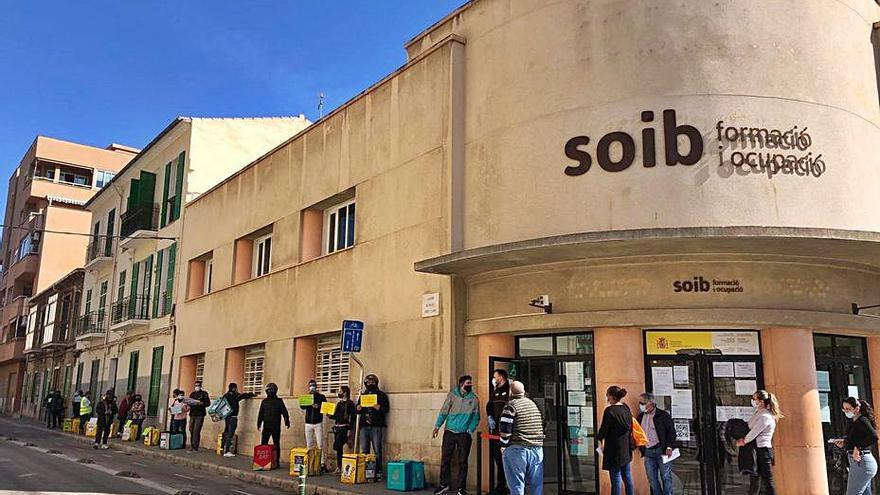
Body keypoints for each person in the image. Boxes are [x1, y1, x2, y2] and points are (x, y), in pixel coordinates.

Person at [433, 375, 481, 495]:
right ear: (461, 384)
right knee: (445, 459)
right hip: (449, 432)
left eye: (471, 383)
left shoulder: (474, 399)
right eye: (468, 383)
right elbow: (444, 411)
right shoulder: (452, 395)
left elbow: (476, 417)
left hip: (464, 435)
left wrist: (469, 431)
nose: (470, 385)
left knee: (463, 461)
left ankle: (461, 488)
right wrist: (437, 426)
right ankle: (444, 484)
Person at [498, 380, 544, 495]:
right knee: (536, 484)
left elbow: (505, 429)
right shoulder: (533, 404)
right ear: (523, 391)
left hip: (517, 449)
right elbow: (543, 423)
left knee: (516, 484)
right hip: (537, 449)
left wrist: (503, 445)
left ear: (510, 391)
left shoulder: (511, 406)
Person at [736, 390, 782, 495]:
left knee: (767, 480)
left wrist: (744, 441)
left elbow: (754, 432)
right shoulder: (759, 413)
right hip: (757, 449)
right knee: (755, 478)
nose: (753, 401)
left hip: (763, 450)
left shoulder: (765, 416)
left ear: (761, 401)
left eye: (754, 399)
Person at [834, 397, 878, 495]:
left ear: (857, 408)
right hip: (861, 463)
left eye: (848, 409)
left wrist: (858, 448)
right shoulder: (853, 422)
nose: (846, 412)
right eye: (844, 409)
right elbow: (855, 440)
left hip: (862, 462)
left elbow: (874, 437)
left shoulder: (862, 420)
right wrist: (844, 443)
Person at [596, 386, 634, 495]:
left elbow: (604, 429)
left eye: (607, 394)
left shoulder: (610, 410)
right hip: (625, 447)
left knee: (616, 478)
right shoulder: (626, 408)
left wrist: (600, 438)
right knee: (627, 476)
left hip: (613, 448)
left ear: (611, 396)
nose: (606, 397)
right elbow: (631, 426)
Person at [637, 393, 676, 495]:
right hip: (648, 452)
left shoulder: (663, 416)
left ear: (650, 403)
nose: (640, 405)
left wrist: (669, 447)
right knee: (652, 479)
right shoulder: (640, 417)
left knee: (666, 477)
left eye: (642, 403)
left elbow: (671, 432)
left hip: (661, 450)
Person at [357, 373, 391, 479]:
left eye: (372, 382)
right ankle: (366, 472)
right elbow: (357, 410)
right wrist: (358, 408)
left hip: (376, 426)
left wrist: (378, 407)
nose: (370, 383)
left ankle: (378, 471)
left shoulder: (381, 395)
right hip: (364, 426)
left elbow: (386, 409)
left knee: (377, 450)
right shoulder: (363, 395)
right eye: (368, 382)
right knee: (364, 449)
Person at [486, 369, 511, 495]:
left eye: (495, 376)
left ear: (501, 377)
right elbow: (489, 405)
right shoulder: (495, 390)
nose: (493, 378)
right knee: (498, 459)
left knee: (508, 460)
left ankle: (509, 486)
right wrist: (489, 416)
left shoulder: (510, 390)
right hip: (496, 431)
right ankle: (500, 486)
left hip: (507, 432)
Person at [257, 382, 290, 468]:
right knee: (264, 444)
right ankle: (263, 461)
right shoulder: (264, 402)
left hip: (275, 426)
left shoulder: (279, 401)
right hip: (266, 426)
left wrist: (287, 421)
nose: (268, 392)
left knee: (276, 444)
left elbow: (284, 412)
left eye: (269, 390)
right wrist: (259, 423)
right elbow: (261, 413)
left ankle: (276, 462)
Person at [221, 382, 256, 457]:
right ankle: (226, 451)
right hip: (233, 417)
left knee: (226, 431)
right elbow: (242, 396)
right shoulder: (234, 395)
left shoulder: (226, 396)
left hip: (227, 417)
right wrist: (251, 394)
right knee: (230, 433)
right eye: (236, 388)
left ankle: (222, 448)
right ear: (234, 388)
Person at [300, 378, 328, 470]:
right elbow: (302, 406)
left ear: (316, 387)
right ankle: (310, 462)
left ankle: (322, 463)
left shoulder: (321, 397)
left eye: (313, 385)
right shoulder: (306, 396)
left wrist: (318, 406)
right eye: (310, 385)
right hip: (308, 423)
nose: (312, 387)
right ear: (308, 387)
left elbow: (326, 407)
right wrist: (309, 404)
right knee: (309, 444)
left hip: (318, 423)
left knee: (320, 443)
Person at [331, 385, 356, 472]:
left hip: (344, 427)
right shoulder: (339, 403)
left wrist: (350, 429)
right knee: (339, 449)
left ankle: (346, 439)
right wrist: (329, 414)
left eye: (340, 391)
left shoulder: (350, 403)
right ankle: (339, 466)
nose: (339, 393)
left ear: (345, 393)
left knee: (336, 445)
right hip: (337, 427)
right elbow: (335, 416)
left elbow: (352, 417)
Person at [188, 380, 210, 452]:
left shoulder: (204, 394)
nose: (196, 387)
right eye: (196, 385)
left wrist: (201, 403)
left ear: (200, 386)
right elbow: (189, 402)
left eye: (198, 385)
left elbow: (207, 403)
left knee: (196, 430)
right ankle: (192, 445)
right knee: (191, 429)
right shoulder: (192, 394)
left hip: (200, 414)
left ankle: (195, 447)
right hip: (192, 414)